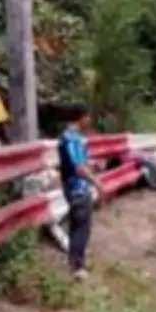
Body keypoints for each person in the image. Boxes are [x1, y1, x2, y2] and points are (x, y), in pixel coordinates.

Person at [58, 103, 105, 280]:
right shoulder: (72, 139)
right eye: (88, 116)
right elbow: (78, 168)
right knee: (81, 227)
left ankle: (77, 262)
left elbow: (77, 163)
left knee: (78, 225)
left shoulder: (69, 138)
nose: (90, 120)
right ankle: (77, 267)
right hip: (77, 188)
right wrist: (98, 184)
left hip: (73, 187)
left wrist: (92, 164)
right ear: (81, 117)